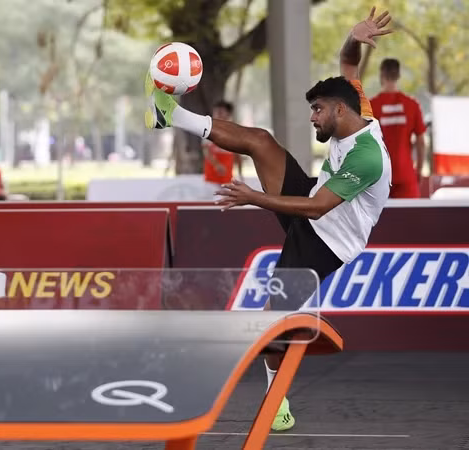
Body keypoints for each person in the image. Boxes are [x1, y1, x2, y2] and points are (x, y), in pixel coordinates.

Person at [145, 7, 392, 431]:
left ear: (337, 110)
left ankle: (276, 399)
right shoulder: (356, 107)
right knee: (261, 141)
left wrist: (253, 197)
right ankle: (170, 114)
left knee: (273, 319)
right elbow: (349, 62)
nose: (312, 116)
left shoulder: (368, 156)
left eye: (317, 109)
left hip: (326, 240)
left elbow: (318, 211)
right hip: (314, 197)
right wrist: (353, 35)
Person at [370, 58, 427, 198]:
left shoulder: (371, 106)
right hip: (406, 174)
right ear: (398, 76)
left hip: (379, 176)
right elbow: (421, 142)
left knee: (380, 220)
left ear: (381, 76)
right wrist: (418, 170)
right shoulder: (412, 105)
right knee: (410, 219)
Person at [202, 100, 242, 186]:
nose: (217, 115)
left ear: (228, 114)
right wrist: (216, 165)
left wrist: (240, 174)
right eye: (216, 112)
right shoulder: (208, 130)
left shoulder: (234, 132)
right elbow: (206, 151)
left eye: (220, 112)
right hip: (211, 179)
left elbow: (238, 155)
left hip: (227, 179)